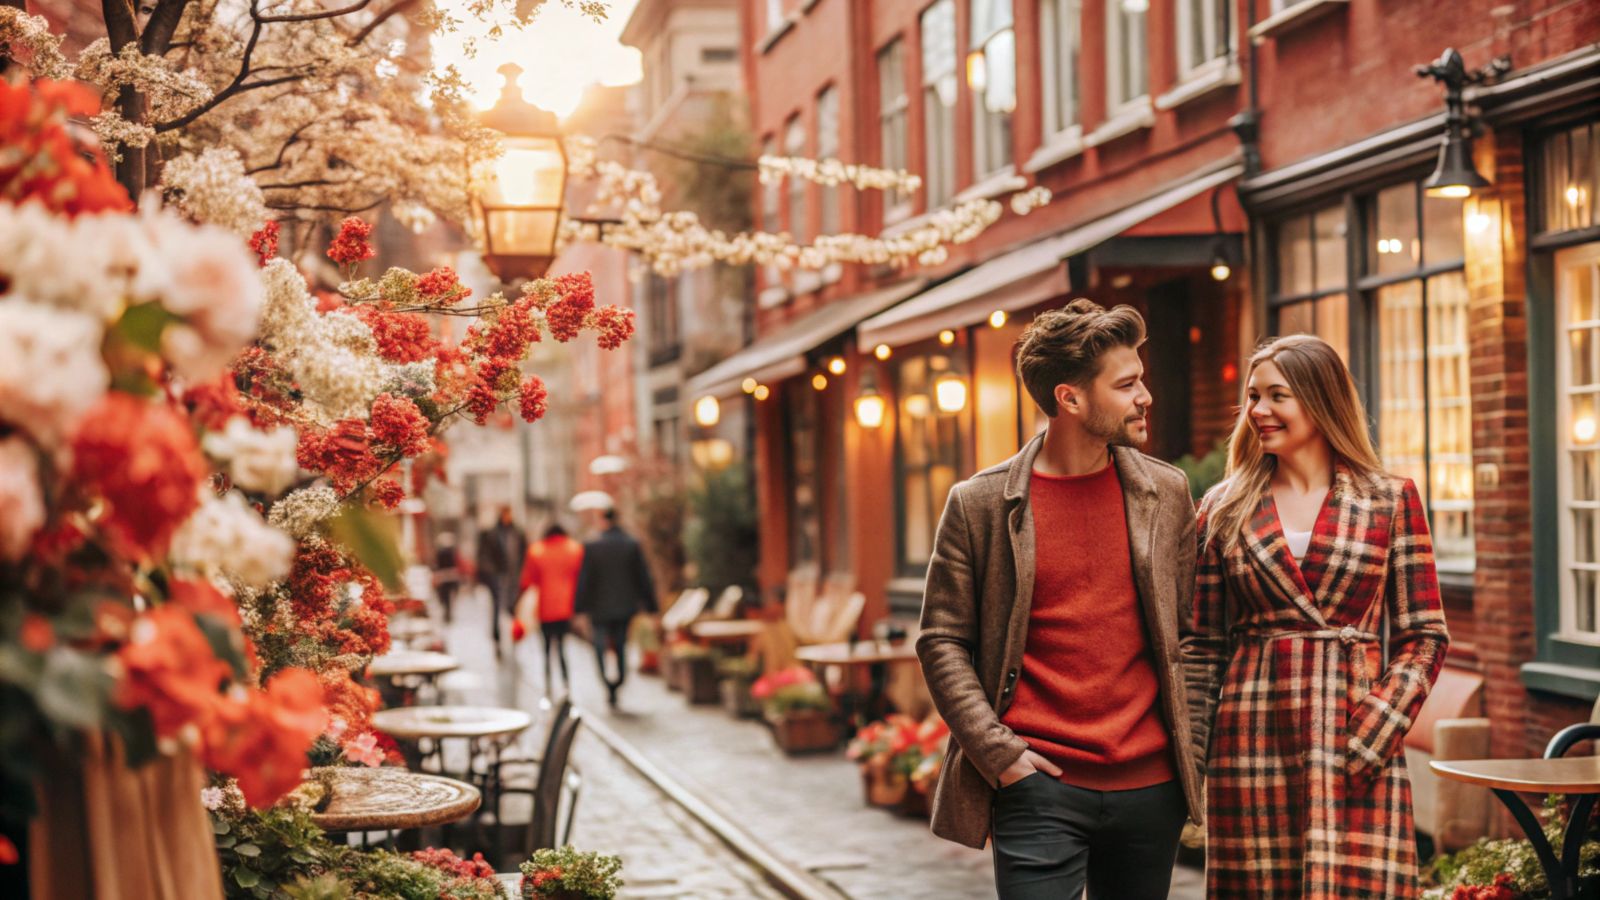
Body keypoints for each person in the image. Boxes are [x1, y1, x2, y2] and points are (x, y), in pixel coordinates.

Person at [916, 299, 1205, 900]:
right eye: (1126, 385)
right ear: (1071, 399)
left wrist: (1190, 751)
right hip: (1037, 783)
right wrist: (1000, 755)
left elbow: (1193, 634)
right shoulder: (979, 504)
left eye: (1142, 379)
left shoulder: (1168, 492)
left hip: (1150, 787)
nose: (1145, 395)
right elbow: (941, 639)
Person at [1183, 334, 1449, 898]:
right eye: (1253, 397)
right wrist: (1193, 764)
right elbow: (1201, 647)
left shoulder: (1389, 499)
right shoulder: (1222, 506)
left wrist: (1376, 728)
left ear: (1319, 398)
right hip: (1251, 739)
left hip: (1354, 733)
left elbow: (1424, 634)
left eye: (1276, 395)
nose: (1258, 411)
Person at [573, 506, 658, 708]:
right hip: (624, 606)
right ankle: (619, 681)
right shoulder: (630, 544)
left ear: (603, 519)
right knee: (620, 646)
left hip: (599, 609)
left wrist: (579, 609)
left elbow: (584, 580)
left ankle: (606, 682)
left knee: (600, 646)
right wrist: (651, 607)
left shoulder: (592, 545)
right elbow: (643, 578)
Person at [519, 522, 584, 695]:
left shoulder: (537, 550)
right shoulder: (575, 549)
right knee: (562, 646)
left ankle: (547, 683)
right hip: (565, 607)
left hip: (544, 608)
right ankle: (566, 684)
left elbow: (526, 581)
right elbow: (582, 577)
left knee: (547, 648)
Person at [475, 505, 527, 659]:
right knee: (497, 609)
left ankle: (515, 636)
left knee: (514, 609)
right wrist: (491, 573)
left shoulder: (518, 533)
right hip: (498, 577)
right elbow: (484, 556)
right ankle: (497, 639)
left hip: (514, 577)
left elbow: (524, 553)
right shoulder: (492, 534)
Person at [432, 532, 461, 624]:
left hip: (445, 577)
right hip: (449, 577)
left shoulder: (443, 552)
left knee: (445, 597)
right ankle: (448, 614)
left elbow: (437, 565)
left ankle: (447, 614)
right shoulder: (451, 552)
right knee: (448, 597)